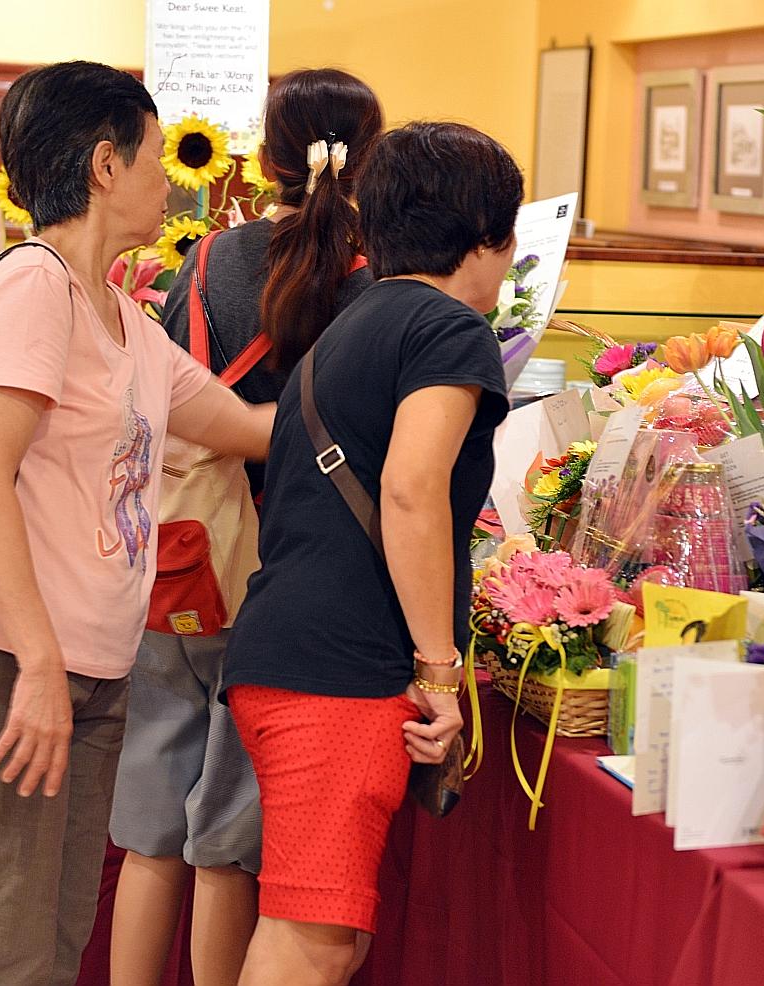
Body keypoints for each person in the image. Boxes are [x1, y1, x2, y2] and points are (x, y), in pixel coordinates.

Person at [0, 61, 276, 986]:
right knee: (2, 951)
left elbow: (244, 428)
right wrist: (34, 663)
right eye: (154, 157)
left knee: (54, 939)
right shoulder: (33, 288)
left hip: (88, 668)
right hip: (5, 661)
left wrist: (401, 385)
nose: (169, 180)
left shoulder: (118, 312)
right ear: (107, 165)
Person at [222, 121, 520, 986]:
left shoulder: (354, 321)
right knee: (310, 940)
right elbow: (411, 491)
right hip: (339, 675)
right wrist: (437, 669)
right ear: (489, 237)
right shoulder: (450, 329)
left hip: (290, 650)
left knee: (331, 936)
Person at [108, 68, 382, 986]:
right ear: (370, 157)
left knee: (148, 832)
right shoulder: (369, 282)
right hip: (277, 575)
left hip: (175, 553)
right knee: (227, 839)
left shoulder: (212, 255)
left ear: (264, 157)